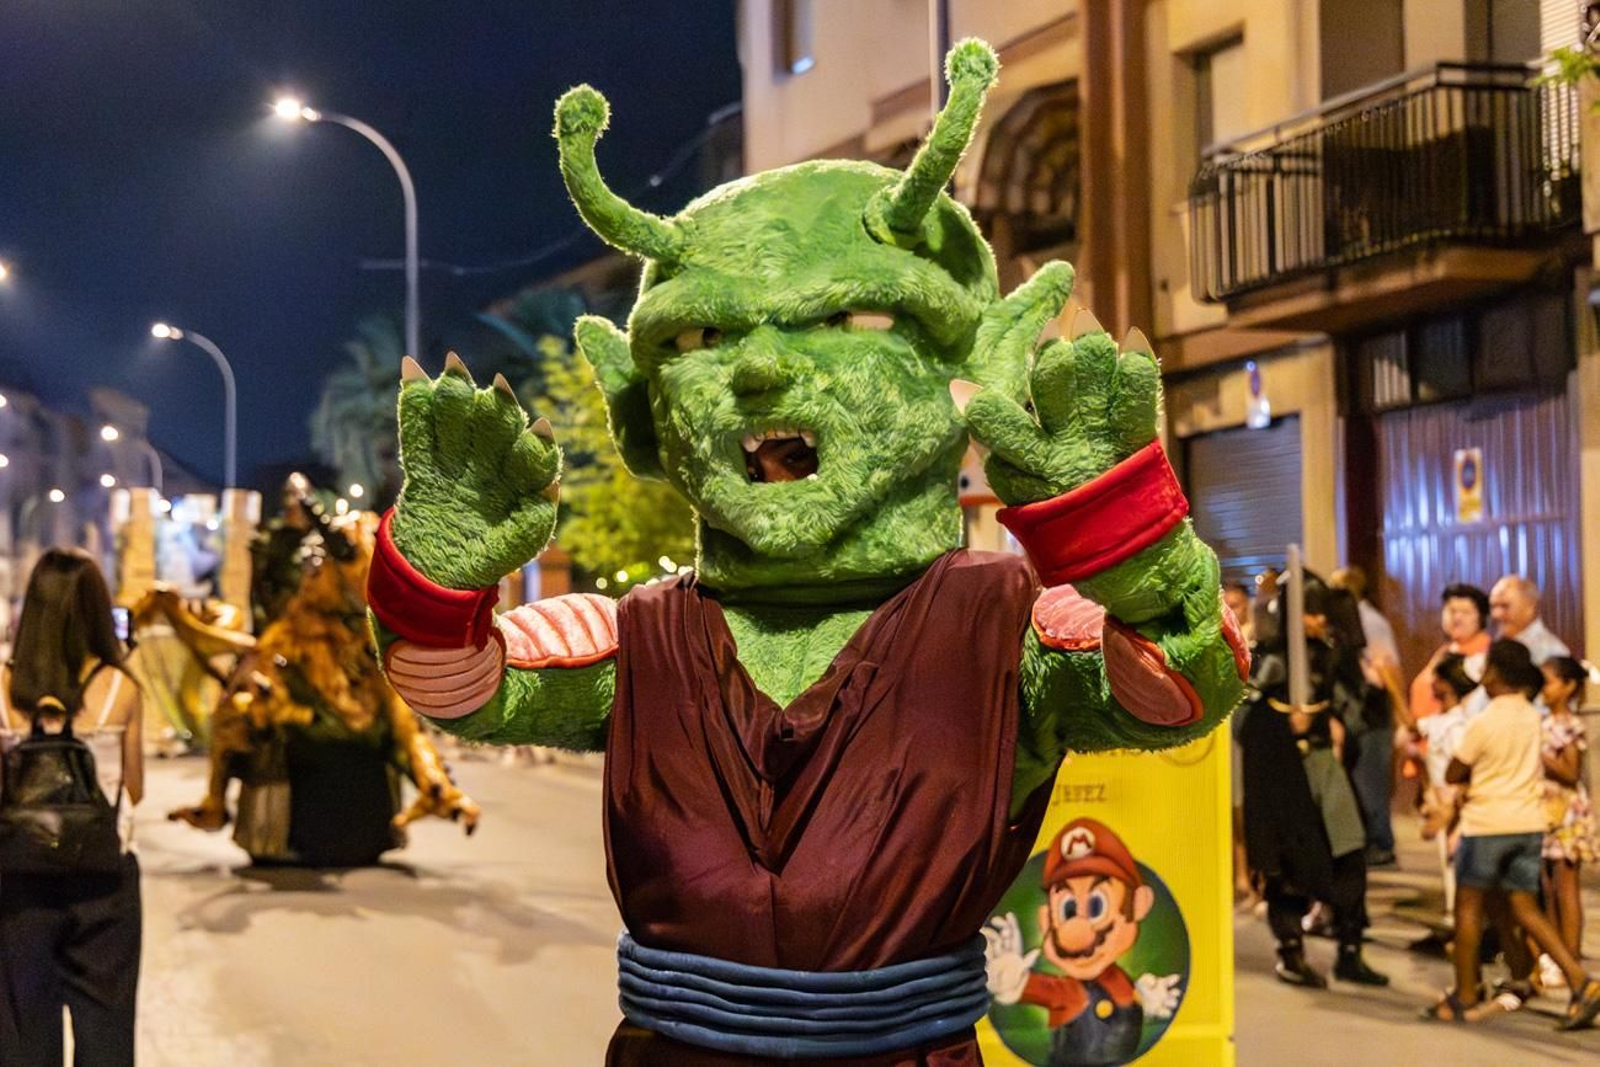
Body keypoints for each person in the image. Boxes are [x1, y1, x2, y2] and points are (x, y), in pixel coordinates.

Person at [0, 548, 144, 1065]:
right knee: (107, 1032)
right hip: (103, 880)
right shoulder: (121, 687)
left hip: (19, 882)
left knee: (22, 1033)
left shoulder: (4, 688)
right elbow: (134, 788)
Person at [1424, 640, 1600, 1029]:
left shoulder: (1485, 721)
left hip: (1487, 824)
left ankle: (1465, 995)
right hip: (1528, 824)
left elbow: (1454, 771)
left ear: (1495, 674)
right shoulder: (1532, 717)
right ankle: (1581, 982)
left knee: (1468, 908)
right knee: (1525, 908)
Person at [1240, 573, 1387, 990]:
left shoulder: (1331, 655)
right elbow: (1243, 722)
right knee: (1287, 866)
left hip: (1325, 766)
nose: (1319, 620)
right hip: (1284, 779)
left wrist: (1334, 722)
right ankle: (1290, 953)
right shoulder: (1269, 659)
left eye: (1322, 613)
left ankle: (1350, 951)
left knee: (1350, 853)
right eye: (1310, 612)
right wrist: (1280, 722)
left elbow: (1353, 706)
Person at [1330, 566, 1405, 866]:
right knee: (1362, 779)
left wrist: (1403, 714)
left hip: (1372, 713)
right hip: (1360, 713)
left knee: (1370, 780)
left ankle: (1381, 844)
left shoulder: (1369, 622)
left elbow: (1387, 667)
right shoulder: (1350, 621)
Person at [1536, 656, 1596, 985]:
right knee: (1546, 885)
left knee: (1565, 885)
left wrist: (1541, 756)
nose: (1543, 689)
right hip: (1546, 810)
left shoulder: (1571, 725)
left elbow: (1571, 772)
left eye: (1548, 683)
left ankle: (1570, 956)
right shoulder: (1542, 721)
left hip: (1567, 812)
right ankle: (1555, 955)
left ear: (1569, 686)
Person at [1412, 653, 1478, 917]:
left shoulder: (1457, 726)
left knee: (1456, 860)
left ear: (1449, 685)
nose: (1432, 683)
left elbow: (1462, 771)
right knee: (1448, 861)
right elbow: (1411, 727)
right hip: (1442, 799)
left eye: (1437, 678)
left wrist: (1451, 808)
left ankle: (1461, 916)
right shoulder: (1441, 721)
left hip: (1454, 802)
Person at [1409, 583, 1492, 724]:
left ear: (1481, 618)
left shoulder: (1487, 654)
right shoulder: (1447, 650)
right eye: (1451, 611)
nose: (1457, 618)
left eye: (1466, 612)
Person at [1489, 575, 1569, 667]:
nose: (1496, 614)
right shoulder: (1498, 643)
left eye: (1505, 606)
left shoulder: (1550, 653)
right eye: (1493, 606)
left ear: (1529, 608)